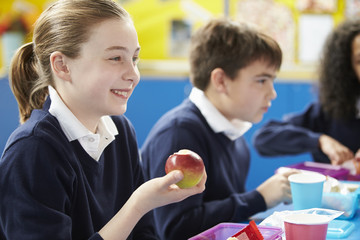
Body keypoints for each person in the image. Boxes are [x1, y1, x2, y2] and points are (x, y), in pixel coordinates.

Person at [0, 0, 206, 239]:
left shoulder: (120, 131)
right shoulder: (32, 150)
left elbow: (143, 234)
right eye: (115, 58)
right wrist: (138, 205)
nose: (133, 74)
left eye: (134, 59)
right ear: (62, 65)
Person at [141, 18, 295, 240]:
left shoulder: (235, 135)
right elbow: (175, 230)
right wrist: (259, 198)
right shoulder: (180, 133)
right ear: (221, 81)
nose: (272, 93)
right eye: (262, 80)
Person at [253, 18, 360, 166]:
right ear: (347, 68)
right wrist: (319, 140)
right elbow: (263, 139)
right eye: (359, 60)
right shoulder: (328, 112)